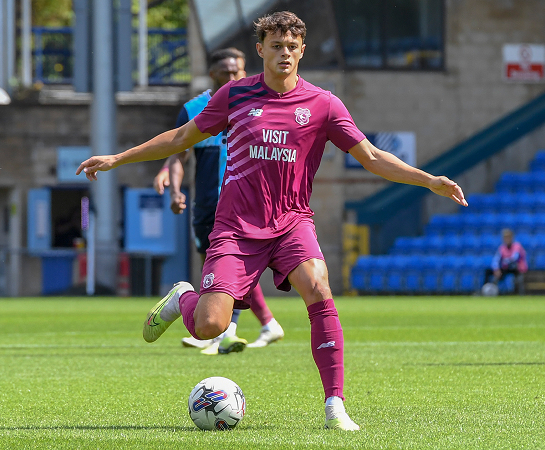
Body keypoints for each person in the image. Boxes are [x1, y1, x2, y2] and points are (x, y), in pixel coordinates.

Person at [77, 11, 467, 430]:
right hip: (235, 227)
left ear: (303, 51)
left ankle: (335, 404)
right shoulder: (234, 95)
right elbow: (181, 137)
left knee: (318, 287)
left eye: (292, 47)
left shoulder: (324, 104)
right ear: (260, 50)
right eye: (276, 46)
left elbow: (371, 156)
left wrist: (428, 180)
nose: (284, 53)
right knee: (210, 326)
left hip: (291, 223)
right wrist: (118, 157)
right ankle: (181, 300)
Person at [153, 47, 285, 355]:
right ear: (212, 74)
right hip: (208, 204)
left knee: (236, 266)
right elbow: (179, 152)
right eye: (225, 72)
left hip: (246, 205)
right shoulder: (194, 109)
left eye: (237, 71)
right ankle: (265, 323)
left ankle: (224, 332)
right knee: (216, 269)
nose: (232, 76)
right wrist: (174, 188)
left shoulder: (257, 105)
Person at [484, 228, 527, 294]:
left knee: (516, 275)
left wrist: (505, 261)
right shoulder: (502, 248)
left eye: (508, 237)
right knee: (488, 272)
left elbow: (515, 258)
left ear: (512, 238)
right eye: (505, 237)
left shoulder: (517, 246)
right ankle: (487, 291)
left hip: (516, 269)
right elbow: (496, 259)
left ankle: (519, 293)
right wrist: (496, 269)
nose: (507, 239)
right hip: (506, 269)